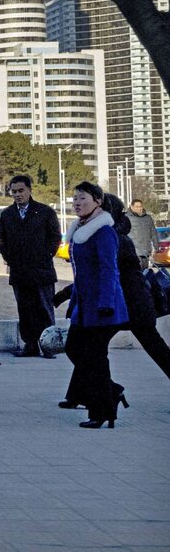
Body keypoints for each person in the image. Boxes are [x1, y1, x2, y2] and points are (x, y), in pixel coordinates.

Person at [63, 182, 129, 428]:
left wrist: (105, 303)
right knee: (74, 349)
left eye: (83, 198)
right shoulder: (82, 230)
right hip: (85, 307)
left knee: (95, 358)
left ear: (98, 201)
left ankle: (102, 412)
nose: (77, 203)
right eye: (75, 199)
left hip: (103, 308)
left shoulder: (103, 232)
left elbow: (109, 270)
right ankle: (111, 391)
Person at [105, 194, 170, 384]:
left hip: (132, 305)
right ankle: (78, 394)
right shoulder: (115, 235)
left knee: (89, 348)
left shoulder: (116, 239)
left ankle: (89, 394)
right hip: (128, 303)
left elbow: (106, 274)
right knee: (90, 349)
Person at [0, 175, 61, 358]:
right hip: (19, 270)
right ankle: (30, 344)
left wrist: (45, 255)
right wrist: (10, 257)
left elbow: (55, 237)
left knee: (44, 308)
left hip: (42, 270)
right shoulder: (7, 214)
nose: (17, 195)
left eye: (21, 191)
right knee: (25, 309)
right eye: (14, 191)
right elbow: (2, 239)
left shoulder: (45, 212)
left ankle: (48, 345)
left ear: (29, 190)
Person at [126, 199, 156, 269]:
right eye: (137, 206)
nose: (139, 208)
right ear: (132, 207)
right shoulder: (126, 217)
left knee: (145, 272)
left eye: (140, 206)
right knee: (137, 272)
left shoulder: (148, 218)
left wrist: (156, 247)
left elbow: (153, 233)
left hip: (146, 251)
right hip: (134, 252)